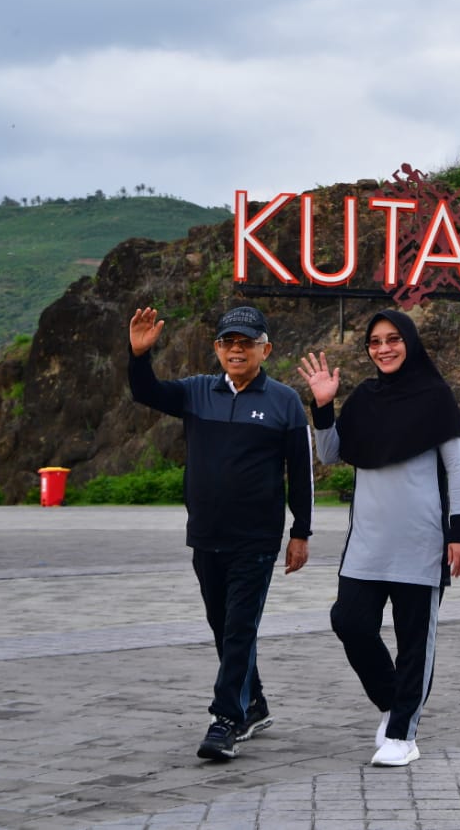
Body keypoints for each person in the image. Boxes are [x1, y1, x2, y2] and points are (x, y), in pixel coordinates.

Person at [128, 305, 313, 761]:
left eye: (246, 343)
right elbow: (145, 391)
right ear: (217, 348)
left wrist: (301, 531)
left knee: (238, 628)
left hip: (256, 538)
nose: (237, 349)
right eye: (229, 342)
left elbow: (301, 472)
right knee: (222, 625)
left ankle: (225, 719)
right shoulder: (196, 392)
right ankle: (254, 702)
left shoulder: (284, 400)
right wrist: (137, 355)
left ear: (264, 349)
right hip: (206, 534)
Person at [298, 308, 460, 767]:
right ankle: (396, 703)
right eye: (375, 341)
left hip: (422, 542)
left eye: (393, 339)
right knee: (349, 622)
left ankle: (402, 735)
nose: (384, 348)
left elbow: (457, 468)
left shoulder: (436, 397)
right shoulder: (364, 398)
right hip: (368, 543)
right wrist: (323, 406)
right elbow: (332, 454)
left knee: (416, 641)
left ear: (410, 342)